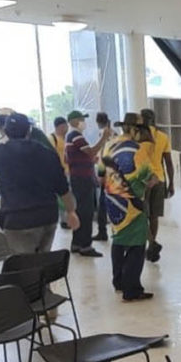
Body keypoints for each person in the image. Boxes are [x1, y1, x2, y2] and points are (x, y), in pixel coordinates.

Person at [0, 113, 78, 254]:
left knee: (23, 267)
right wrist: (71, 211)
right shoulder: (47, 153)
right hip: (47, 216)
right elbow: (63, 188)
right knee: (42, 261)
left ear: (5, 131)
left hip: (16, 218)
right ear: (29, 131)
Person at [102, 113, 158, 302]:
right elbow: (150, 179)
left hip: (112, 201)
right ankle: (131, 289)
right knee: (136, 246)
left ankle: (118, 282)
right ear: (134, 130)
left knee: (118, 240)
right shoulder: (137, 150)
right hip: (132, 205)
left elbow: (100, 175)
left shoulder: (109, 145)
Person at [65, 110, 110, 257]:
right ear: (73, 121)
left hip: (79, 177)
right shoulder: (75, 136)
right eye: (81, 119)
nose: (83, 122)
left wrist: (87, 161)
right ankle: (85, 245)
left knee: (80, 211)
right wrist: (104, 138)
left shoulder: (70, 137)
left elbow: (69, 158)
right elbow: (91, 151)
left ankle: (77, 243)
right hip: (82, 179)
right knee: (86, 212)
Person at [141, 108, 174, 263]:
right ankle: (152, 245)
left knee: (142, 215)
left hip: (143, 180)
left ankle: (151, 243)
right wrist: (171, 183)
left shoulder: (138, 137)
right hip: (159, 179)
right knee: (154, 216)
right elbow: (168, 163)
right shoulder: (163, 137)